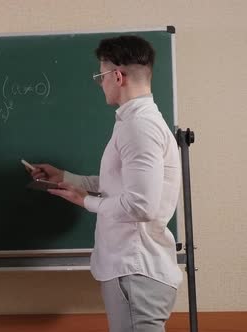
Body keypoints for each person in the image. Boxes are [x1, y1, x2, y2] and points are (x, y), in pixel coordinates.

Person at [28, 35, 182, 332]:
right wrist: (66, 178)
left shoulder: (140, 126)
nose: (100, 84)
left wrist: (85, 200)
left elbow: (141, 205)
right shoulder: (133, 122)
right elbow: (123, 185)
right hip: (132, 270)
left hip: (135, 270)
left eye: (101, 76)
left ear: (117, 76)